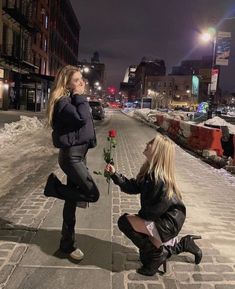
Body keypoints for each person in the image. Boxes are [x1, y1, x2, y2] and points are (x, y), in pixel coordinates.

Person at [105, 134, 202, 276]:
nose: (147, 143)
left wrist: (137, 219)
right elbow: (132, 186)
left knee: (125, 222)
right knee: (145, 256)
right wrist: (115, 175)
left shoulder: (159, 179)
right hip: (161, 219)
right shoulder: (149, 172)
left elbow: (151, 213)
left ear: (157, 151)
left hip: (168, 222)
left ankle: (158, 255)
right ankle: (181, 245)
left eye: (151, 143)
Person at [44, 65, 100, 261]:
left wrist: (78, 96)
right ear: (66, 83)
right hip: (71, 157)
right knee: (92, 194)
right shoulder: (63, 103)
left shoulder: (70, 101)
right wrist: (79, 95)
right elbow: (83, 118)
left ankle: (67, 244)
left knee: (71, 202)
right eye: (76, 80)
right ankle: (53, 188)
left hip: (78, 155)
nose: (81, 83)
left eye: (80, 79)